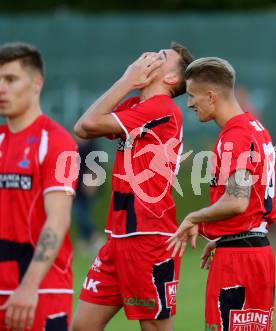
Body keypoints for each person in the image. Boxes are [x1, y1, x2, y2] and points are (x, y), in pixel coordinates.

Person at [72, 42, 193, 331]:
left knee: (153, 326)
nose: (150, 56)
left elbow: (88, 124)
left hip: (148, 235)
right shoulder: (137, 106)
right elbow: (82, 127)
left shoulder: (160, 108)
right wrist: (127, 83)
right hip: (120, 234)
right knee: (82, 325)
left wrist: (127, 80)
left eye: (162, 57)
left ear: (172, 79)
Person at [167, 57, 276, 331]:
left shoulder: (235, 136)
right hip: (254, 251)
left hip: (240, 261)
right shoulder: (255, 127)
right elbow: (250, 202)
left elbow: (237, 201)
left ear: (211, 95)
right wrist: (224, 236)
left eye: (192, 96)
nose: (190, 103)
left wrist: (194, 217)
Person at [0, 42, 78, 330]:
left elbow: (58, 219)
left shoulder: (59, 143)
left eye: (10, 79)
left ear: (36, 83)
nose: (1, 88)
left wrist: (29, 285)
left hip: (41, 291)